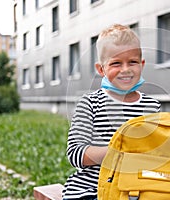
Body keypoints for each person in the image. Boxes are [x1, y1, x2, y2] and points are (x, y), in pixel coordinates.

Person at [62, 24, 161, 200]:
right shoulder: (90, 103)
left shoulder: (152, 106)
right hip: (92, 189)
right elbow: (76, 154)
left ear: (142, 64)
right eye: (116, 63)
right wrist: (119, 155)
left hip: (137, 189)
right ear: (101, 69)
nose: (126, 69)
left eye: (133, 62)